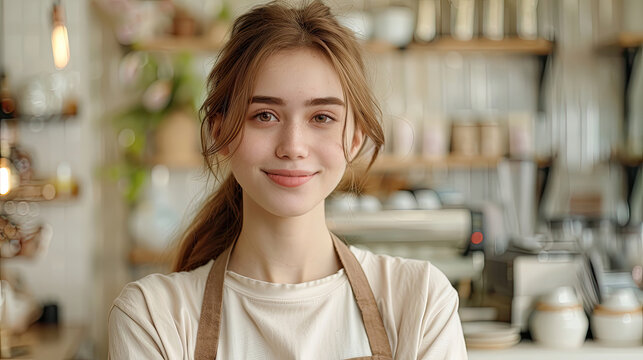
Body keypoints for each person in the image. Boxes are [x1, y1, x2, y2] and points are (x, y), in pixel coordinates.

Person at [108, 1, 467, 359]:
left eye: (322, 117)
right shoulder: (153, 317)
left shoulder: (421, 303)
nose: (293, 147)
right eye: (264, 115)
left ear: (354, 139)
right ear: (221, 133)